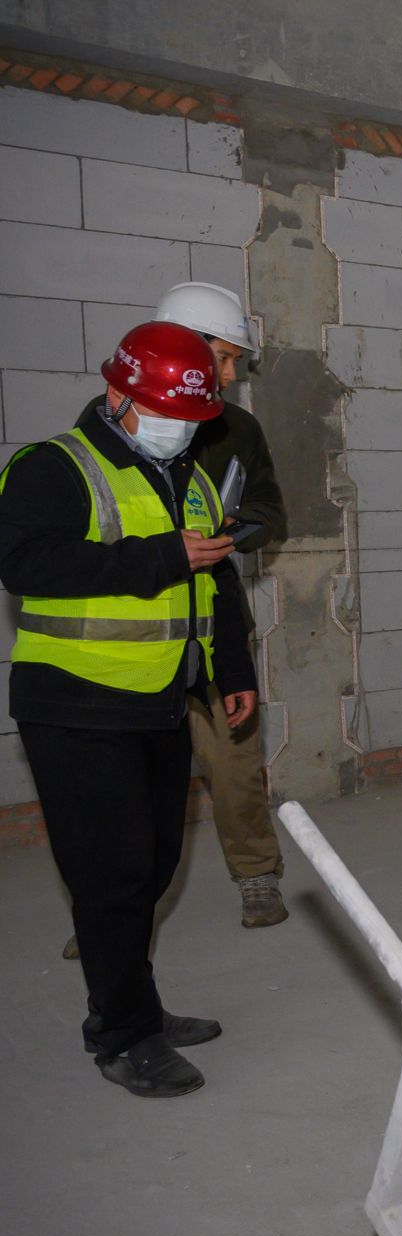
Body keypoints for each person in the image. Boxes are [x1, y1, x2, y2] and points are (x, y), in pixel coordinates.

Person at [0, 321, 259, 1097]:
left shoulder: (188, 475)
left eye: (191, 418)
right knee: (111, 875)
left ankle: (134, 1004)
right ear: (118, 393)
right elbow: (23, 562)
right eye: (166, 413)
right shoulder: (52, 466)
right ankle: (123, 1035)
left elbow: (214, 578)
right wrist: (163, 555)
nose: (180, 430)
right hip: (76, 705)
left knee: (154, 865)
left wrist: (231, 668)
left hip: (160, 699)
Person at [67, 282, 289, 937]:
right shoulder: (109, 420)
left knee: (234, 764)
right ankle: (112, 917)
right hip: (130, 631)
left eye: (233, 363)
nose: (230, 376)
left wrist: (229, 533)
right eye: (223, 358)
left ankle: (256, 875)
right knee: (122, 790)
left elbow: (268, 507)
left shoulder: (237, 430)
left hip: (212, 619)